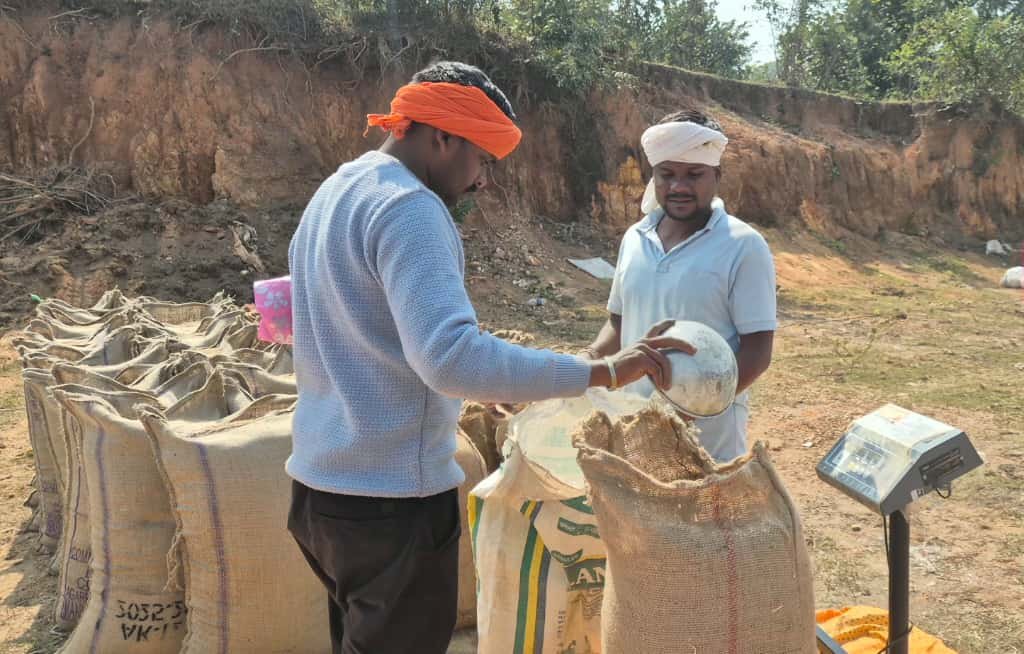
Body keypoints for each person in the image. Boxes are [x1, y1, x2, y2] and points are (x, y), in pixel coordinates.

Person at [285, 61, 693, 654]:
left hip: (321, 496)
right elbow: (449, 358)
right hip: (391, 507)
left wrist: (485, 381)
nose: (482, 182)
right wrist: (605, 371)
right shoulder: (410, 208)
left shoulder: (338, 190)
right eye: (482, 160)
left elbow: (360, 330)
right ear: (440, 136)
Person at [580, 108, 777, 463]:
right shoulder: (635, 238)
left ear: (717, 175)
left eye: (694, 174)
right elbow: (619, 322)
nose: (679, 187)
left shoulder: (743, 245)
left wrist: (689, 410)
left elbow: (757, 352)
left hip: (706, 444)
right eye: (667, 174)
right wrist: (590, 359)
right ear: (653, 176)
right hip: (631, 430)